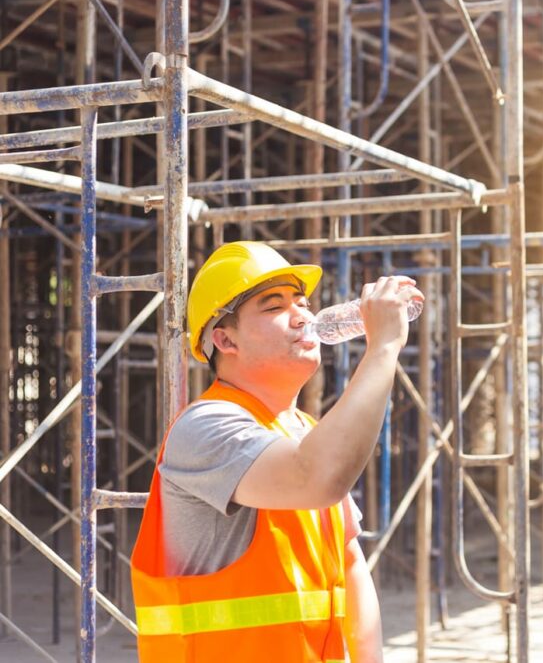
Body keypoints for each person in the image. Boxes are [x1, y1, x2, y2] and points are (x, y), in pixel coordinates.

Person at [131, 241, 419, 662]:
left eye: (302, 302)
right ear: (225, 340)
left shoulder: (304, 431)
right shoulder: (205, 427)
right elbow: (314, 478)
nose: (303, 315)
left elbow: (351, 567)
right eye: (274, 306)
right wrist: (382, 348)